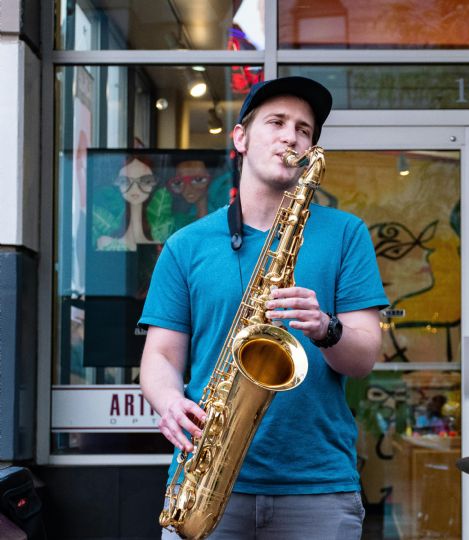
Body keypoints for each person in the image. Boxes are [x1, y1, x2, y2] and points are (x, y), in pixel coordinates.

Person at [139, 76, 388, 539]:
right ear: (240, 137)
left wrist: (325, 328)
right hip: (203, 480)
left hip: (317, 487)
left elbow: (364, 357)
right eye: (276, 122)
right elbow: (160, 356)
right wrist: (170, 402)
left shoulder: (346, 233)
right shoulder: (185, 244)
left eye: (304, 129)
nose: (291, 136)